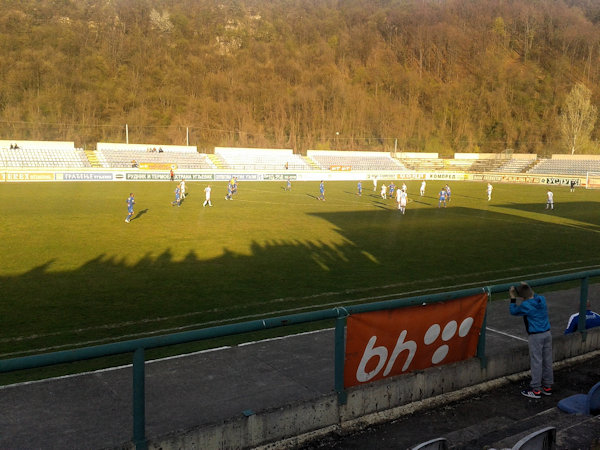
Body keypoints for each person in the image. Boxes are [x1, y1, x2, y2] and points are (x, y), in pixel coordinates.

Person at [509, 282, 553, 399]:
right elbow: (534, 295)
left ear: (522, 297)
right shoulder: (541, 299)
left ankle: (536, 389)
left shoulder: (526, 305)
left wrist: (512, 298)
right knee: (547, 361)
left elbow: (513, 311)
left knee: (536, 362)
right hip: (547, 334)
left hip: (536, 336)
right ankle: (547, 387)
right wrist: (528, 287)